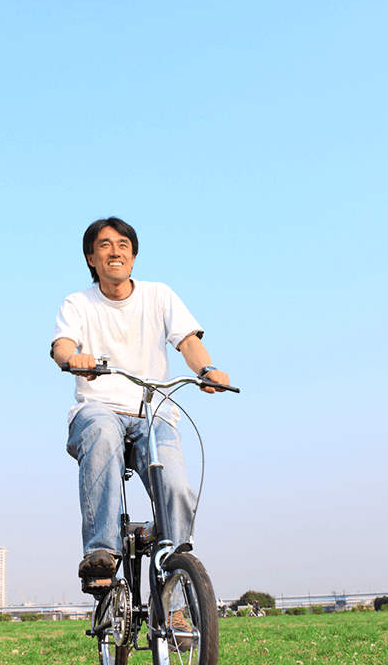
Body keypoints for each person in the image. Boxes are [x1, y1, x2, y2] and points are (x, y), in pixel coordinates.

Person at [51, 217, 231, 591]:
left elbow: (188, 341)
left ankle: (177, 594)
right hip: (98, 408)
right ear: (91, 258)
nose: (114, 251)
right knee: (101, 433)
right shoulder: (78, 302)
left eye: (122, 245)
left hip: (154, 412)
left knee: (177, 488)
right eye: (104, 245)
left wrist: (208, 369)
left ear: (132, 257)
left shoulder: (159, 295)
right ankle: (102, 555)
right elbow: (62, 345)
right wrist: (74, 358)